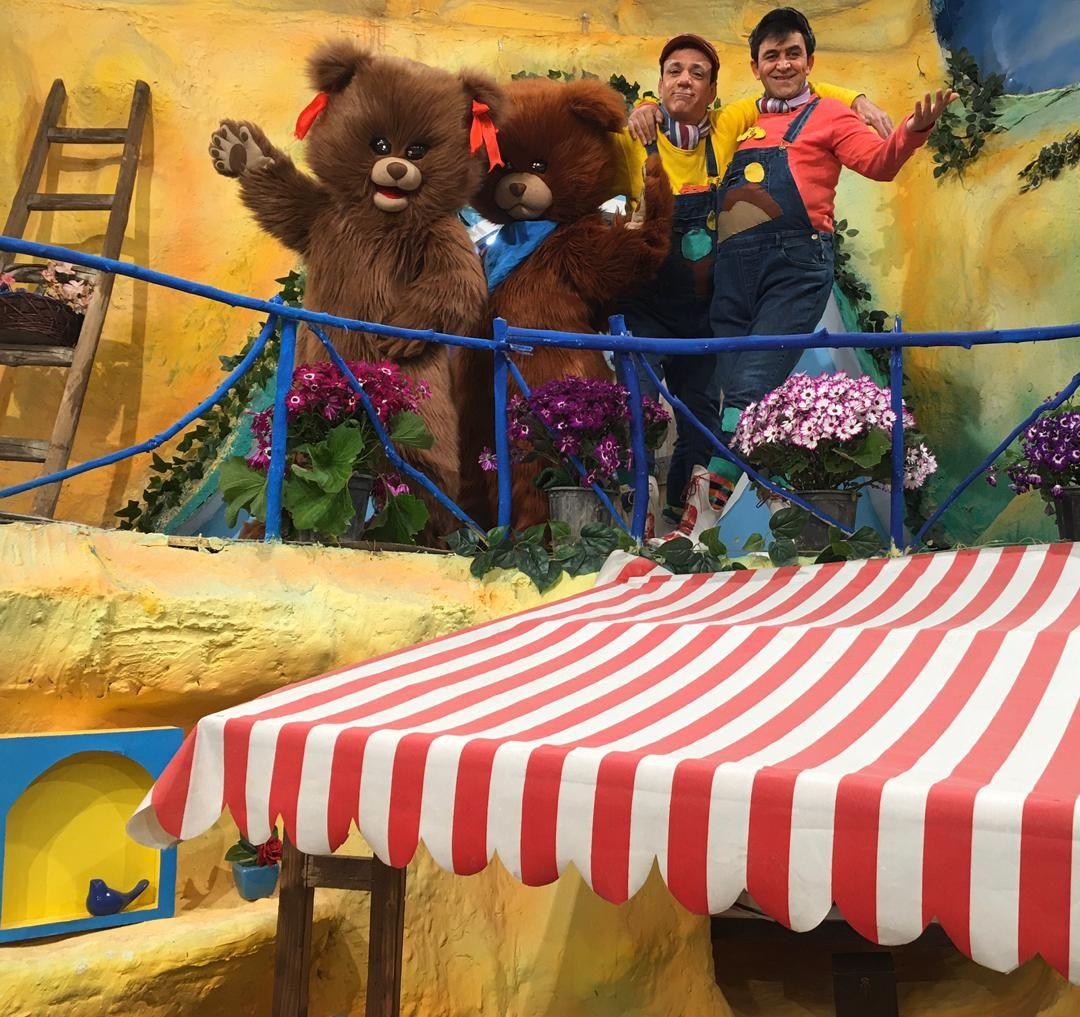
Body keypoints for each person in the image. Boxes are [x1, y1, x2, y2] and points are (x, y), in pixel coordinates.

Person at [659, 8, 956, 541]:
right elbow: (683, 121)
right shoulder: (738, 122)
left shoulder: (831, 116)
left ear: (809, 61)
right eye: (772, 55)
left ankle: (703, 511)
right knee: (727, 393)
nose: (783, 64)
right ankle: (768, 504)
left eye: (793, 53)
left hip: (794, 266)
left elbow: (879, 163)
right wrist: (643, 106)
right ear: (755, 66)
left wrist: (913, 131)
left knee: (750, 387)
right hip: (733, 274)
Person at [611, 34, 888, 534]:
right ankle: (636, 514)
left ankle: (681, 525)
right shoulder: (631, 139)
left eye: (697, 73)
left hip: (704, 308)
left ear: (714, 91)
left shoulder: (730, 124)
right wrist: (642, 107)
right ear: (660, 81)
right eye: (674, 71)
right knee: (639, 403)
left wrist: (857, 99)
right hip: (645, 305)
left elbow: (790, 86)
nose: (684, 81)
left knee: (702, 416)